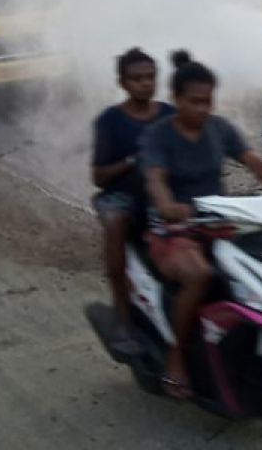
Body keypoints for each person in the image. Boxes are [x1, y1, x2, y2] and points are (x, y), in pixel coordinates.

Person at [141, 51, 262, 400]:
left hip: (217, 222)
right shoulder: (159, 135)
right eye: (194, 102)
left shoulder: (219, 129)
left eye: (207, 101)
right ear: (176, 99)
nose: (202, 109)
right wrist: (167, 206)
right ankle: (176, 358)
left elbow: (257, 164)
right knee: (199, 276)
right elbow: (156, 179)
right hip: (173, 230)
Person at [91, 48, 174, 356]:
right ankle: (123, 319)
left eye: (150, 77)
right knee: (116, 223)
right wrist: (130, 161)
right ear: (123, 82)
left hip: (161, 195)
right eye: (137, 78)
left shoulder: (168, 114)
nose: (145, 84)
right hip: (121, 196)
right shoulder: (110, 121)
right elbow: (99, 177)